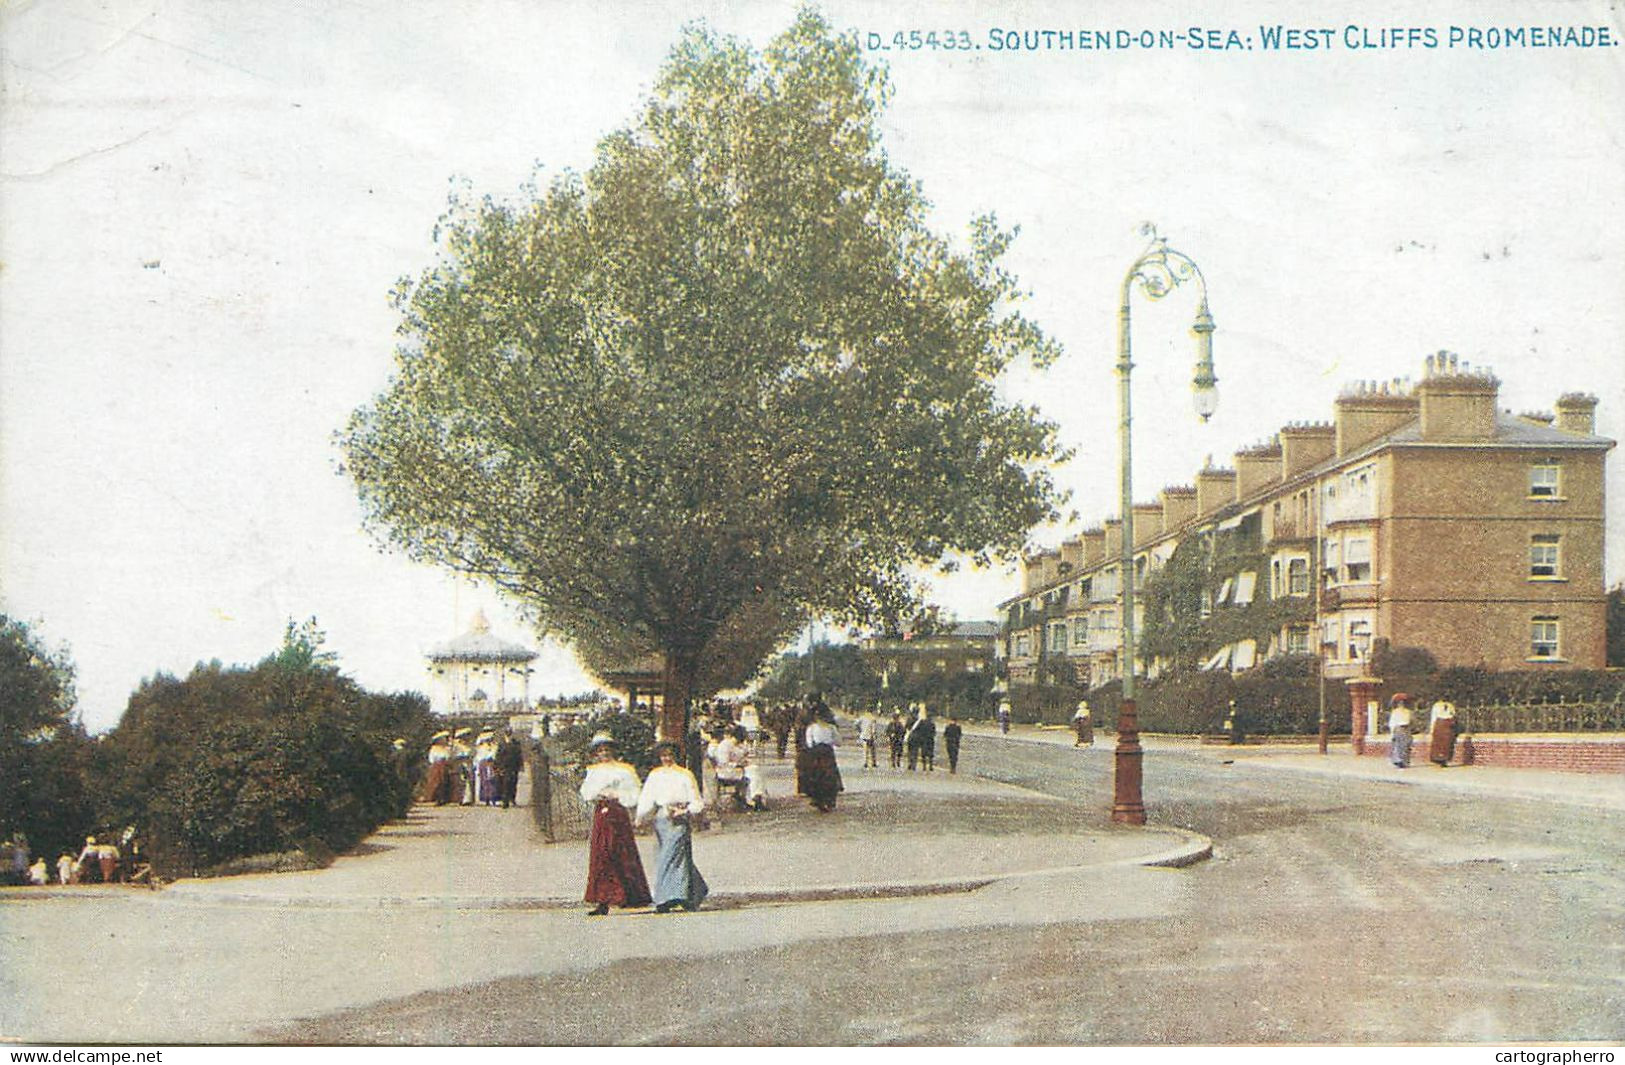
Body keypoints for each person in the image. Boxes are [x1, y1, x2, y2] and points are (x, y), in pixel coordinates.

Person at [578, 733, 651, 916]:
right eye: (601, 750)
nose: (604, 754)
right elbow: (586, 792)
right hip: (602, 812)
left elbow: (634, 791)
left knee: (621, 851)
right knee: (602, 853)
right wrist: (599, 794)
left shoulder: (624, 770)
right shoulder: (594, 771)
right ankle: (603, 899)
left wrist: (618, 795)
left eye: (607, 750)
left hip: (618, 811)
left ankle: (629, 895)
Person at [636, 742, 708, 913]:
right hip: (662, 818)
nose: (666, 759)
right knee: (672, 856)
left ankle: (669, 897)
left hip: (679, 818)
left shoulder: (685, 775)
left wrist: (686, 810)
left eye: (670, 755)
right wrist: (641, 816)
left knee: (671, 856)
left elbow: (696, 799)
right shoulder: (655, 775)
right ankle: (693, 892)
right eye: (663, 755)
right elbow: (647, 797)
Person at [803, 707, 843, 812]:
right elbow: (839, 742)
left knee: (815, 775)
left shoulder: (811, 728)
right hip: (828, 753)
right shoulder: (831, 728)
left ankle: (817, 798)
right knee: (831, 776)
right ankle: (829, 800)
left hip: (816, 754)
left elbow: (809, 743)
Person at [494, 729, 524, 808]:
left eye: (509, 733)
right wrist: (497, 766)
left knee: (513, 783)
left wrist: (521, 766)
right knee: (505, 784)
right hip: (504, 766)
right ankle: (505, 801)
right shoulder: (501, 744)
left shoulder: (516, 743)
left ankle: (512, 799)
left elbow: (519, 755)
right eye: (507, 733)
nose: (508, 735)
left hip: (513, 767)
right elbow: (498, 756)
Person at [1428, 701, 1458, 767]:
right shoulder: (1449, 705)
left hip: (1443, 724)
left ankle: (1442, 759)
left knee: (1445, 743)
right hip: (1443, 724)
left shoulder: (1440, 705)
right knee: (1442, 743)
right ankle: (1441, 759)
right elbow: (1453, 715)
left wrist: (1432, 728)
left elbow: (1433, 717)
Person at [1388, 693, 1415, 768]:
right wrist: (1392, 731)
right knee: (1398, 745)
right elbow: (1392, 722)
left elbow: (1412, 721)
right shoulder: (1395, 712)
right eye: (1400, 703)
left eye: (1403, 702)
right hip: (1398, 728)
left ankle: (1405, 761)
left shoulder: (1408, 712)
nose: (1401, 704)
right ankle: (1398, 760)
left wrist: (1412, 728)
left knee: (1406, 745)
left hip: (1406, 728)